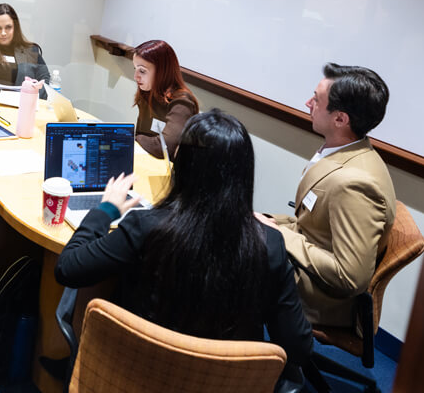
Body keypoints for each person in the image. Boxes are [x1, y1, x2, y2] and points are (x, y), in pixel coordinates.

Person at [55, 110, 311, 391]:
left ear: (181, 162)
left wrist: (105, 209)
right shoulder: (270, 245)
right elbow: (298, 348)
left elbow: (68, 268)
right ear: (243, 173)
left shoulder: (147, 227)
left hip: (132, 376)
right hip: (223, 385)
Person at [257, 64, 397, 328]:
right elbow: (313, 225)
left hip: (322, 296)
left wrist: (280, 234)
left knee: (227, 261)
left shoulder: (355, 183)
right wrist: (262, 221)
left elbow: (350, 276)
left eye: (317, 100)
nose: (308, 103)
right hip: (306, 256)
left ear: (340, 119)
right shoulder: (344, 149)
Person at [131, 39, 199, 159]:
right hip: (148, 160)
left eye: (142, 71)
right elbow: (142, 133)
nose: (136, 76)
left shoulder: (182, 103)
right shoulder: (147, 92)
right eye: (135, 69)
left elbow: (164, 147)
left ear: (162, 71)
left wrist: (133, 138)